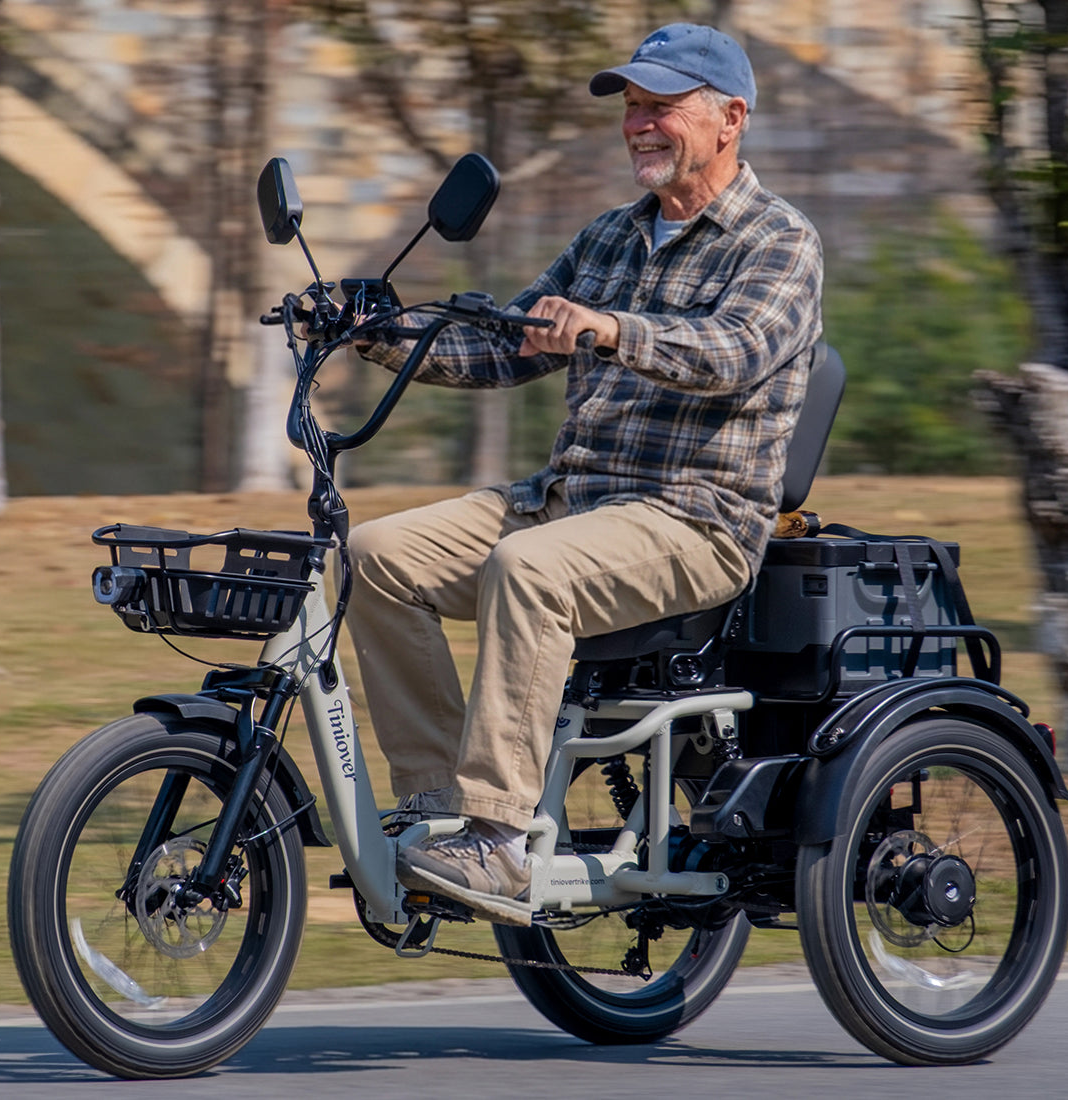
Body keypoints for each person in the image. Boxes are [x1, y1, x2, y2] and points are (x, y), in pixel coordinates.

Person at [348, 22, 824, 926]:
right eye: (632, 108)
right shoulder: (609, 237)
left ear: (730, 118)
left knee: (526, 570)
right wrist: (375, 331)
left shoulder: (779, 241)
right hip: (569, 502)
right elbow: (504, 348)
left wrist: (612, 330)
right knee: (374, 555)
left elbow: (735, 353)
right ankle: (438, 807)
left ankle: (498, 837)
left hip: (697, 520)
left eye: (660, 107)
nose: (638, 125)